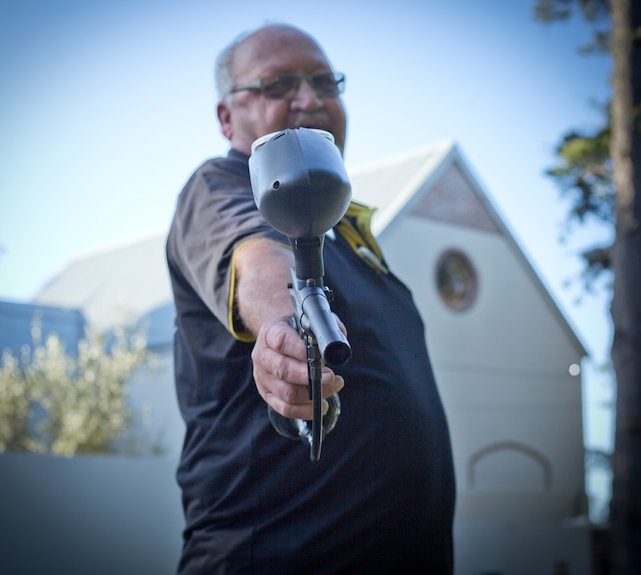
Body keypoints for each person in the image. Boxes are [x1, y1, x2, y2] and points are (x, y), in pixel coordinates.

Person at [165, 23, 455, 574]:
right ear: (227, 117)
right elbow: (255, 257)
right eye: (277, 85)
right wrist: (283, 328)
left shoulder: (342, 230)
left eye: (325, 82)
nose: (309, 98)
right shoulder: (219, 186)